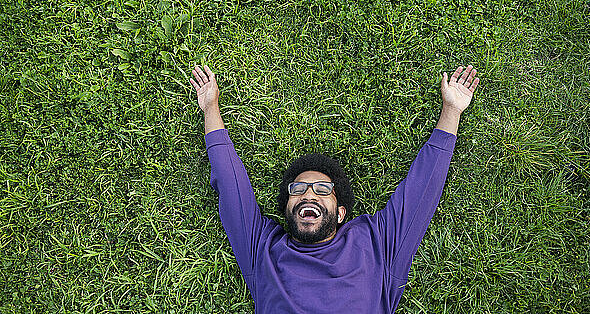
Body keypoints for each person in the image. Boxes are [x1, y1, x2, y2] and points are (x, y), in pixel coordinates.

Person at [190, 64, 480, 313]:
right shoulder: (263, 250)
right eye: (298, 188)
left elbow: (421, 192)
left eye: (321, 189)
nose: (308, 194)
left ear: (341, 213)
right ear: (287, 209)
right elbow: (231, 186)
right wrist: (211, 108)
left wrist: (451, 110)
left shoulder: (376, 242)